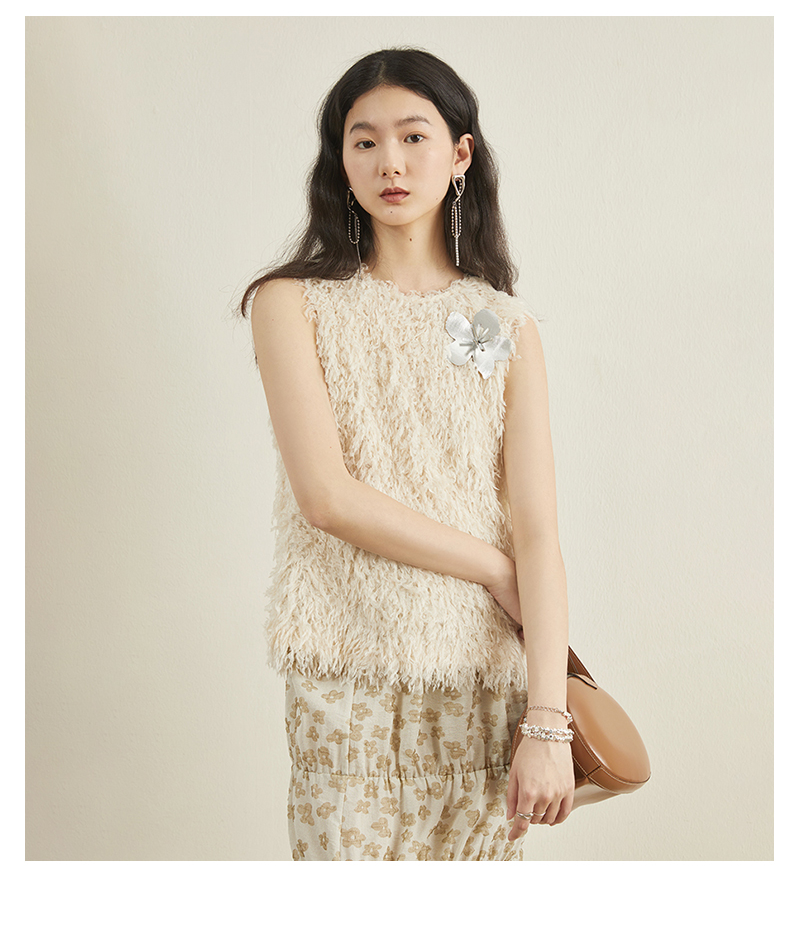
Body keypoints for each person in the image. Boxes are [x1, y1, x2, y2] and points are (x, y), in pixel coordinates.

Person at [240, 47, 573, 861]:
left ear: (460, 154)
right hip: (345, 667)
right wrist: (492, 567)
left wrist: (548, 720)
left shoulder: (505, 323)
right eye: (364, 141)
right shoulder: (292, 303)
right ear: (340, 160)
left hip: (480, 677)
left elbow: (537, 529)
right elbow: (326, 497)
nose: (389, 161)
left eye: (413, 136)